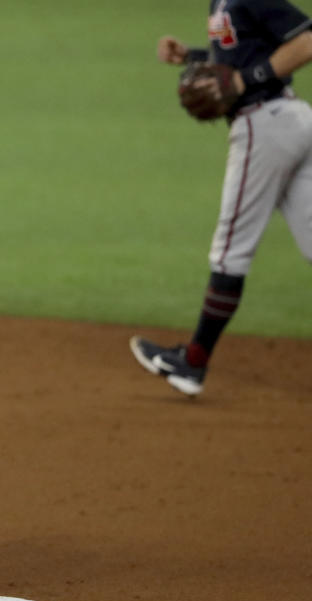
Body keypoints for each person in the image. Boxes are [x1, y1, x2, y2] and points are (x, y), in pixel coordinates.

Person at [131, 1, 312, 396]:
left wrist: (245, 82)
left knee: (230, 252)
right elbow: (240, 53)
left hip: (265, 128)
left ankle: (192, 363)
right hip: (290, 123)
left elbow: (307, 42)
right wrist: (194, 56)